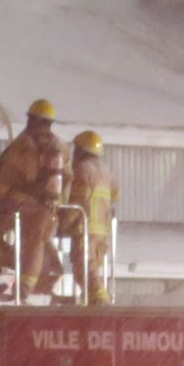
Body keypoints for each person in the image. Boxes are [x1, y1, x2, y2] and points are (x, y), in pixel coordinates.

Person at [0, 98, 67, 295]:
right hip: (25, 206)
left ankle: (24, 288)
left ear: (42, 122)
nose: (29, 123)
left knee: (32, 242)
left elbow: (55, 184)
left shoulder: (43, 148)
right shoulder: (27, 144)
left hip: (32, 207)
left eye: (33, 119)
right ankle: (17, 280)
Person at [66, 130, 118, 304]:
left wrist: (65, 222)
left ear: (81, 150)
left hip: (85, 226)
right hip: (102, 230)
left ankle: (100, 300)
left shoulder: (81, 170)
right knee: (93, 266)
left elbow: (78, 199)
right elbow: (116, 194)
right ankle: (94, 300)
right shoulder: (107, 171)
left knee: (83, 266)